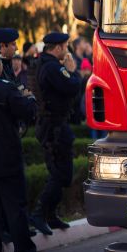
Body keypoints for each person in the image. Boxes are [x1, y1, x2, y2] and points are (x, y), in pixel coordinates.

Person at [0, 44, 50, 252]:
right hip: (7, 159)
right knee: (16, 210)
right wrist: (30, 97)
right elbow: (28, 112)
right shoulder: (6, 88)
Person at [30, 32, 81, 236]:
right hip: (54, 128)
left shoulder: (44, 64)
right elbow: (72, 87)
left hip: (52, 125)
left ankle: (50, 215)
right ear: (57, 48)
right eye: (65, 46)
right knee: (61, 173)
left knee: (60, 173)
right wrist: (73, 72)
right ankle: (39, 213)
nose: (67, 50)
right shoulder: (52, 67)